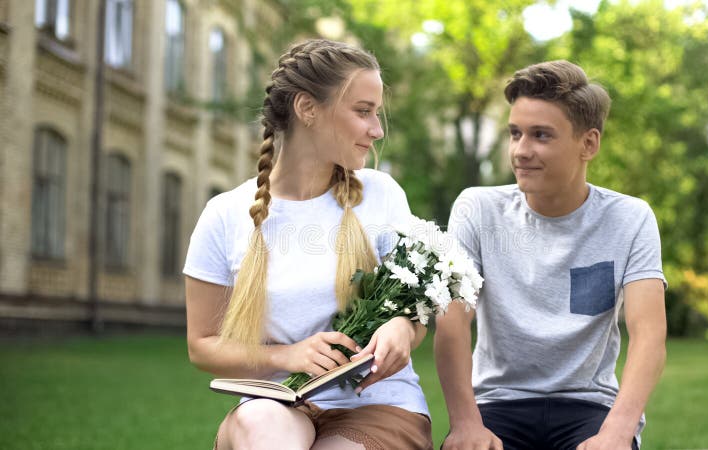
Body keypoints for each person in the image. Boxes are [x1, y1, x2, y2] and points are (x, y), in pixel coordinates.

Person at [183, 39, 432, 450]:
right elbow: (202, 345)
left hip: (376, 406)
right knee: (266, 434)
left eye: (376, 112)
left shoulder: (382, 194)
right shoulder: (225, 214)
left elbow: (414, 308)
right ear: (307, 109)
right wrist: (287, 356)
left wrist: (403, 328)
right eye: (363, 111)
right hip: (276, 403)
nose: (377, 129)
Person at [435, 60, 667, 450]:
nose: (521, 151)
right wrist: (464, 423)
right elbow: (452, 322)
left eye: (541, 135)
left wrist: (617, 431)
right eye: (515, 134)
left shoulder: (629, 218)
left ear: (588, 144)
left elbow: (649, 334)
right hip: (497, 403)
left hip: (589, 405)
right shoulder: (477, 209)